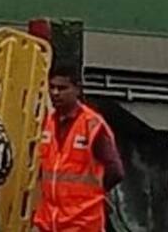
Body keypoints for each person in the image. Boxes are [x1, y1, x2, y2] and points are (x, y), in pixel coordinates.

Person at [33, 71, 122, 232]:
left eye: (62, 88)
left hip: (82, 222)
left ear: (77, 90)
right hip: (50, 221)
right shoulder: (47, 123)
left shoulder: (92, 125)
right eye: (51, 87)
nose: (55, 93)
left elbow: (115, 171)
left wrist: (93, 194)